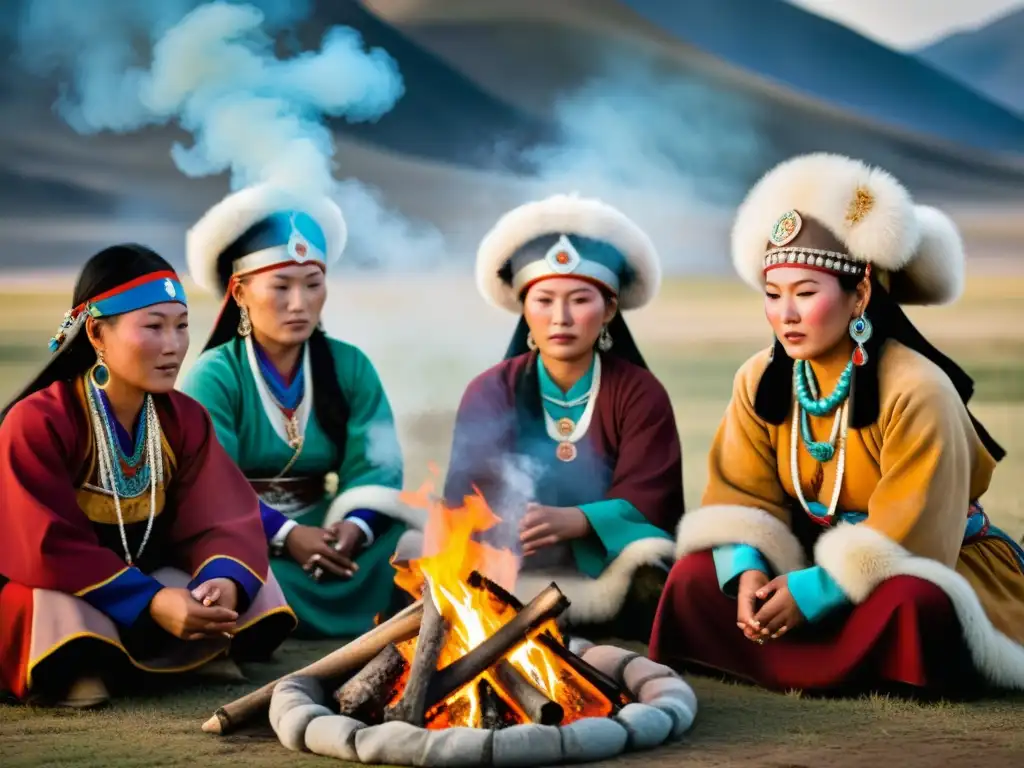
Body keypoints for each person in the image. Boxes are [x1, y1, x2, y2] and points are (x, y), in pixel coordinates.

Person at [650, 152, 1024, 696]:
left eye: (806, 293)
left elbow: (913, 535)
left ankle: (844, 661)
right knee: (694, 580)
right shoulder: (758, 378)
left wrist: (814, 591)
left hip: (919, 563)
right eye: (773, 296)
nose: (786, 315)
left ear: (861, 296)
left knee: (912, 603)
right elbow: (741, 498)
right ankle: (815, 655)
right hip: (804, 557)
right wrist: (751, 569)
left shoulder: (919, 388)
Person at [0, 244, 295, 708]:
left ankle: (182, 642)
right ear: (97, 333)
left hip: (153, 578)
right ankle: (135, 656)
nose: (174, 345)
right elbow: (45, 544)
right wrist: (153, 601)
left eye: (181, 326)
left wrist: (220, 580)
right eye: (154, 327)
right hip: (72, 589)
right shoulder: (38, 421)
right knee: (55, 610)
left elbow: (223, 516)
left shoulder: (185, 419)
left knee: (255, 586)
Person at [396, 193, 684, 642]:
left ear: (609, 310)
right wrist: (511, 520)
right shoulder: (490, 388)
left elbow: (654, 497)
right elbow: (466, 496)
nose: (561, 318)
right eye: (545, 300)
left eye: (580, 300)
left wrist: (581, 520)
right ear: (525, 309)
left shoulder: (642, 393)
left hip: (603, 567)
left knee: (652, 560)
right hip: (509, 564)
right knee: (413, 550)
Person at [179, 184, 423, 639]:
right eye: (281, 286)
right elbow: (210, 485)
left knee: (423, 549)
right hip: (243, 536)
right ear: (239, 292)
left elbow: (377, 466)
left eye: (313, 284)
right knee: (224, 574)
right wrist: (288, 536)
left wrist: (354, 527)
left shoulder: (350, 366)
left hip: (331, 535)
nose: (300, 303)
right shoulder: (214, 376)